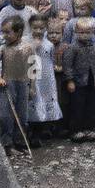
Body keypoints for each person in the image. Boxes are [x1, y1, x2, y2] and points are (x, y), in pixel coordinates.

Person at [0, 16, 36, 152]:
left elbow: (33, 68)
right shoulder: (3, 49)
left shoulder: (28, 48)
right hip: (7, 86)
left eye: (8, 32)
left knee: (22, 116)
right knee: (4, 116)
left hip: (23, 85)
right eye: (3, 32)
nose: (4, 35)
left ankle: (20, 142)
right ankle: (7, 144)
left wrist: (32, 87)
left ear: (18, 32)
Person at [62, 18, 95, 142]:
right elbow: (67, 65)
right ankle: (75, 130)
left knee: (90, 106)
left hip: (90, 81)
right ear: (75, 32)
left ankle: (89, 128)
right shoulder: (72, 48)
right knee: (77, 106)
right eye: (81, 32)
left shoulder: (94, 47)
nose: (84, 35)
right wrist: (70, 80)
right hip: (78, 82)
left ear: (92, 33)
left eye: (87, 32)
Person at [26, 14, 62, 147]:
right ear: (30, 27)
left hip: (46, 78)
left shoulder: (49, 44)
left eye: (41, 28)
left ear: (45, 28)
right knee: (34, 102)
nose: (38, 31)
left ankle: (42, 130)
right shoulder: (26, 42)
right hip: (32, 76)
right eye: (35, 28)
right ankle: (31, 132)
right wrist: (33, 47)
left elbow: (50, 60)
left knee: (45, 101)